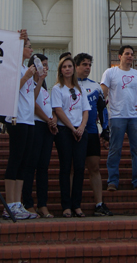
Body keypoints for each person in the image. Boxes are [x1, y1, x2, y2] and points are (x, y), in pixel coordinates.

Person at [2, 49, 44, 220]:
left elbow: (32, 96)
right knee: (16, 159)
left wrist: (39, 80)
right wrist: (26, 77)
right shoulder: (13, 67)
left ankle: (17, 203)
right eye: (28, 45)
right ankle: (9, 205)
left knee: (24, 162)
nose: (31, 50)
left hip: (28, 119)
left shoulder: (26, 70)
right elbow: (10, 91)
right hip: (16, 118)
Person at [101, 45, 137, 192]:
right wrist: (101, 111)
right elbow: (103, 93)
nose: (130, 56)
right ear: (120, 56)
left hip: (135, 116)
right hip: (117, 116)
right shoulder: (110, 72)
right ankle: (112, 181)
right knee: (115, 149)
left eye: (132, 54)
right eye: (127, 54)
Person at [51, 55, 91, 217]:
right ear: (60, 70)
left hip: (80, 131)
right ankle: (66, 205)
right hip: (65, 131)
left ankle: (76, 205)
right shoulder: (57, 89)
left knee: (80, 167)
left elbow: (86, 110)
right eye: (64, 67)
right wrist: (71, 128)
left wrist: (81, 127)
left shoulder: (79, 88)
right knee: (66, 167)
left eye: (69, 66)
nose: (67, 69)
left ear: (74, 69)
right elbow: (58, 110)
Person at [75, 53, 113, 217]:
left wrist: (105, 130)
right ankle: (71, 204)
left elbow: (102, 110)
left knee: (95, 168)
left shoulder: (96, 86)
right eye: (84, 64)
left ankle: (99, 204)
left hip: (91, 131)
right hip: (73, 132)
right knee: (74, 168)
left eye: (89, 65)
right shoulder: (68, 85)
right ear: (76, 66)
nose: (88, 67)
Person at [21, 57, 57, 218]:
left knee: (43, 167)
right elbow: (33, 104)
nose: (45, 68)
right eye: (42, 65)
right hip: (35, 125)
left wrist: (53, 119)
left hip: (47, 129)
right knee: (31, 165)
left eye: (47, 66)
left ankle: (42, 204)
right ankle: (28, 203)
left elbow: (50, 108)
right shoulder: (31, 85)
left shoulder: (44, 89)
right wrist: (48, 120)